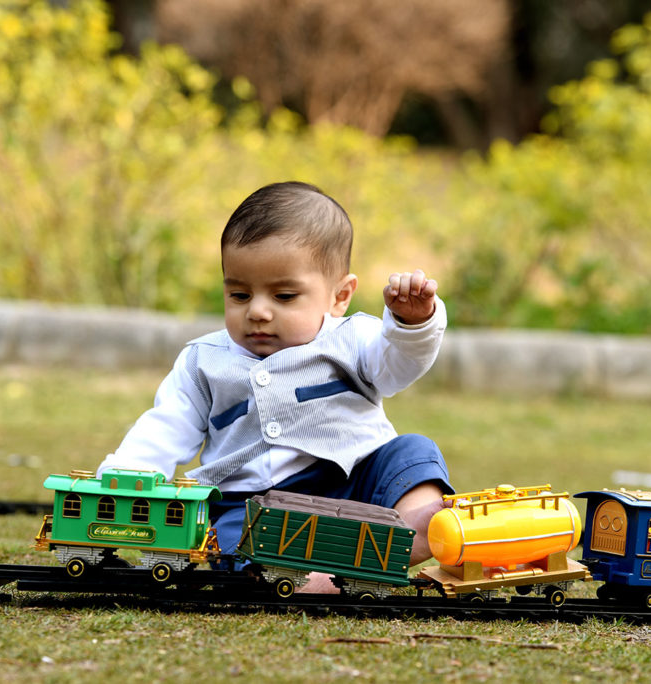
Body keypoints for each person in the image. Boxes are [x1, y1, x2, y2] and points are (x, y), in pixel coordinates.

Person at [95, 181, 452, 588]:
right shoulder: (203, 360)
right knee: (225, 538)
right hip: (249, 504)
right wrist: (125, 478)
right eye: (240, 294)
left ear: (339, 296)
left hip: (351, 484)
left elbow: (399, 366)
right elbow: (165, 426)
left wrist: (412, 324)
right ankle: (314, 579)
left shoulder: (353, 339)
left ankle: (416, 527)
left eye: (283, 296)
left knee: (411, 451)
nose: (258, 312)